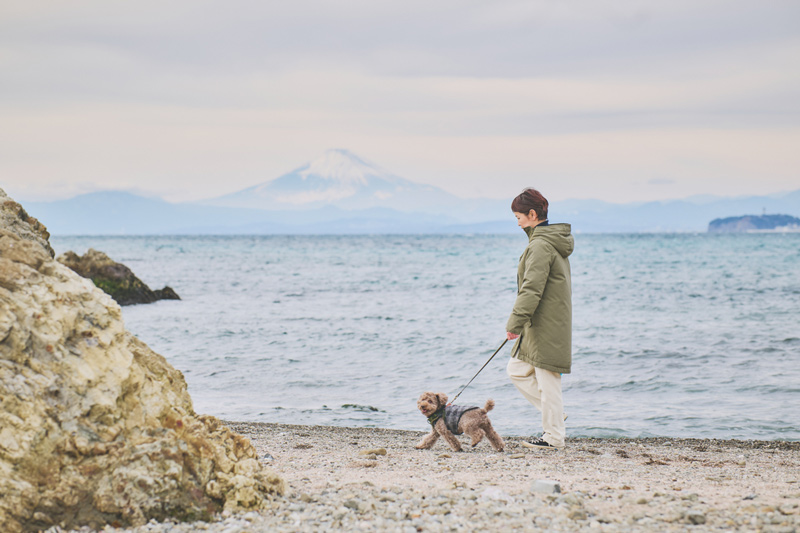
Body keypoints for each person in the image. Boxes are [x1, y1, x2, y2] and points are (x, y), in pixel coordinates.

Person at [505, 188, 573, 450]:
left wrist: (514, 324)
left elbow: (531, 289)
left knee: (549, 382)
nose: (518, 221)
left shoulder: (541, 245)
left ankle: (554, 437)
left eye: (519, 216)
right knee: (517, 370)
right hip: (540, 322)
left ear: (532, 214)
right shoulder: (541, 242)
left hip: (547, 324)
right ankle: (553, 415)